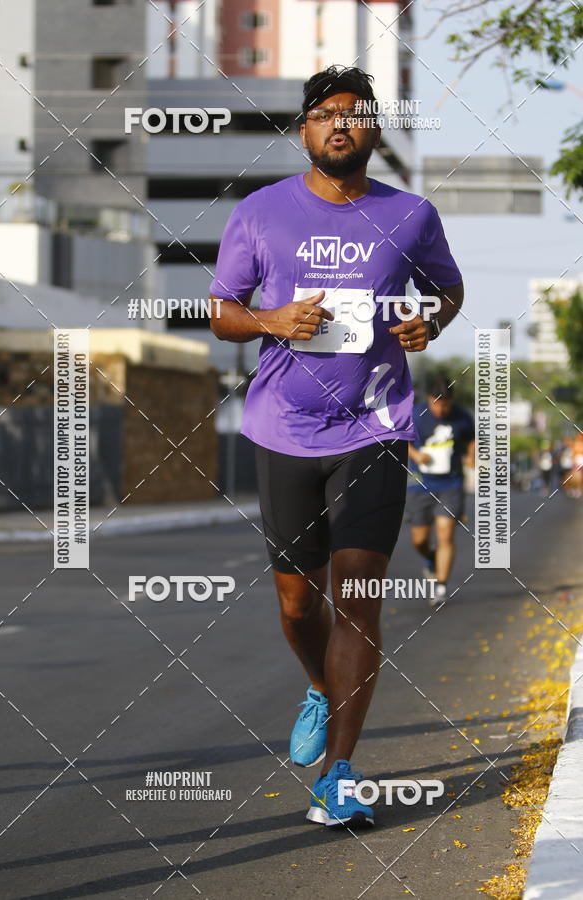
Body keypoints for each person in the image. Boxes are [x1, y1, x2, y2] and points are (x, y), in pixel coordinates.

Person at [209, 65, 463, 828]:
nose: (340, 124)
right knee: (297, 602)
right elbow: (221, 310)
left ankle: (339, 772)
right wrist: (271, 321)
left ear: (375, 130)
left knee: (357, 594)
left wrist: (432, 324)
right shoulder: (260, 212)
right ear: (305, 129)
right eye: (325, 114)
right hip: (283, 428)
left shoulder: (412, 214)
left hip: (376, 427)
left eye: (355, 113)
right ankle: (320, 686)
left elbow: (446, 289)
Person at [406, 374, 475, 608]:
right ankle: (430, 559)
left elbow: (472, 439)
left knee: (445, 533)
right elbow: (401, 438)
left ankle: (441, 586)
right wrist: (416, 455)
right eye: (438, 404)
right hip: (420, 484)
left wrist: (472, 456)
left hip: (451, 484)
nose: (442, 409)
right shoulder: (416, 415)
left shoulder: (463, 417)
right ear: (429, 399)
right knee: (419, 540)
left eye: (447, 404)